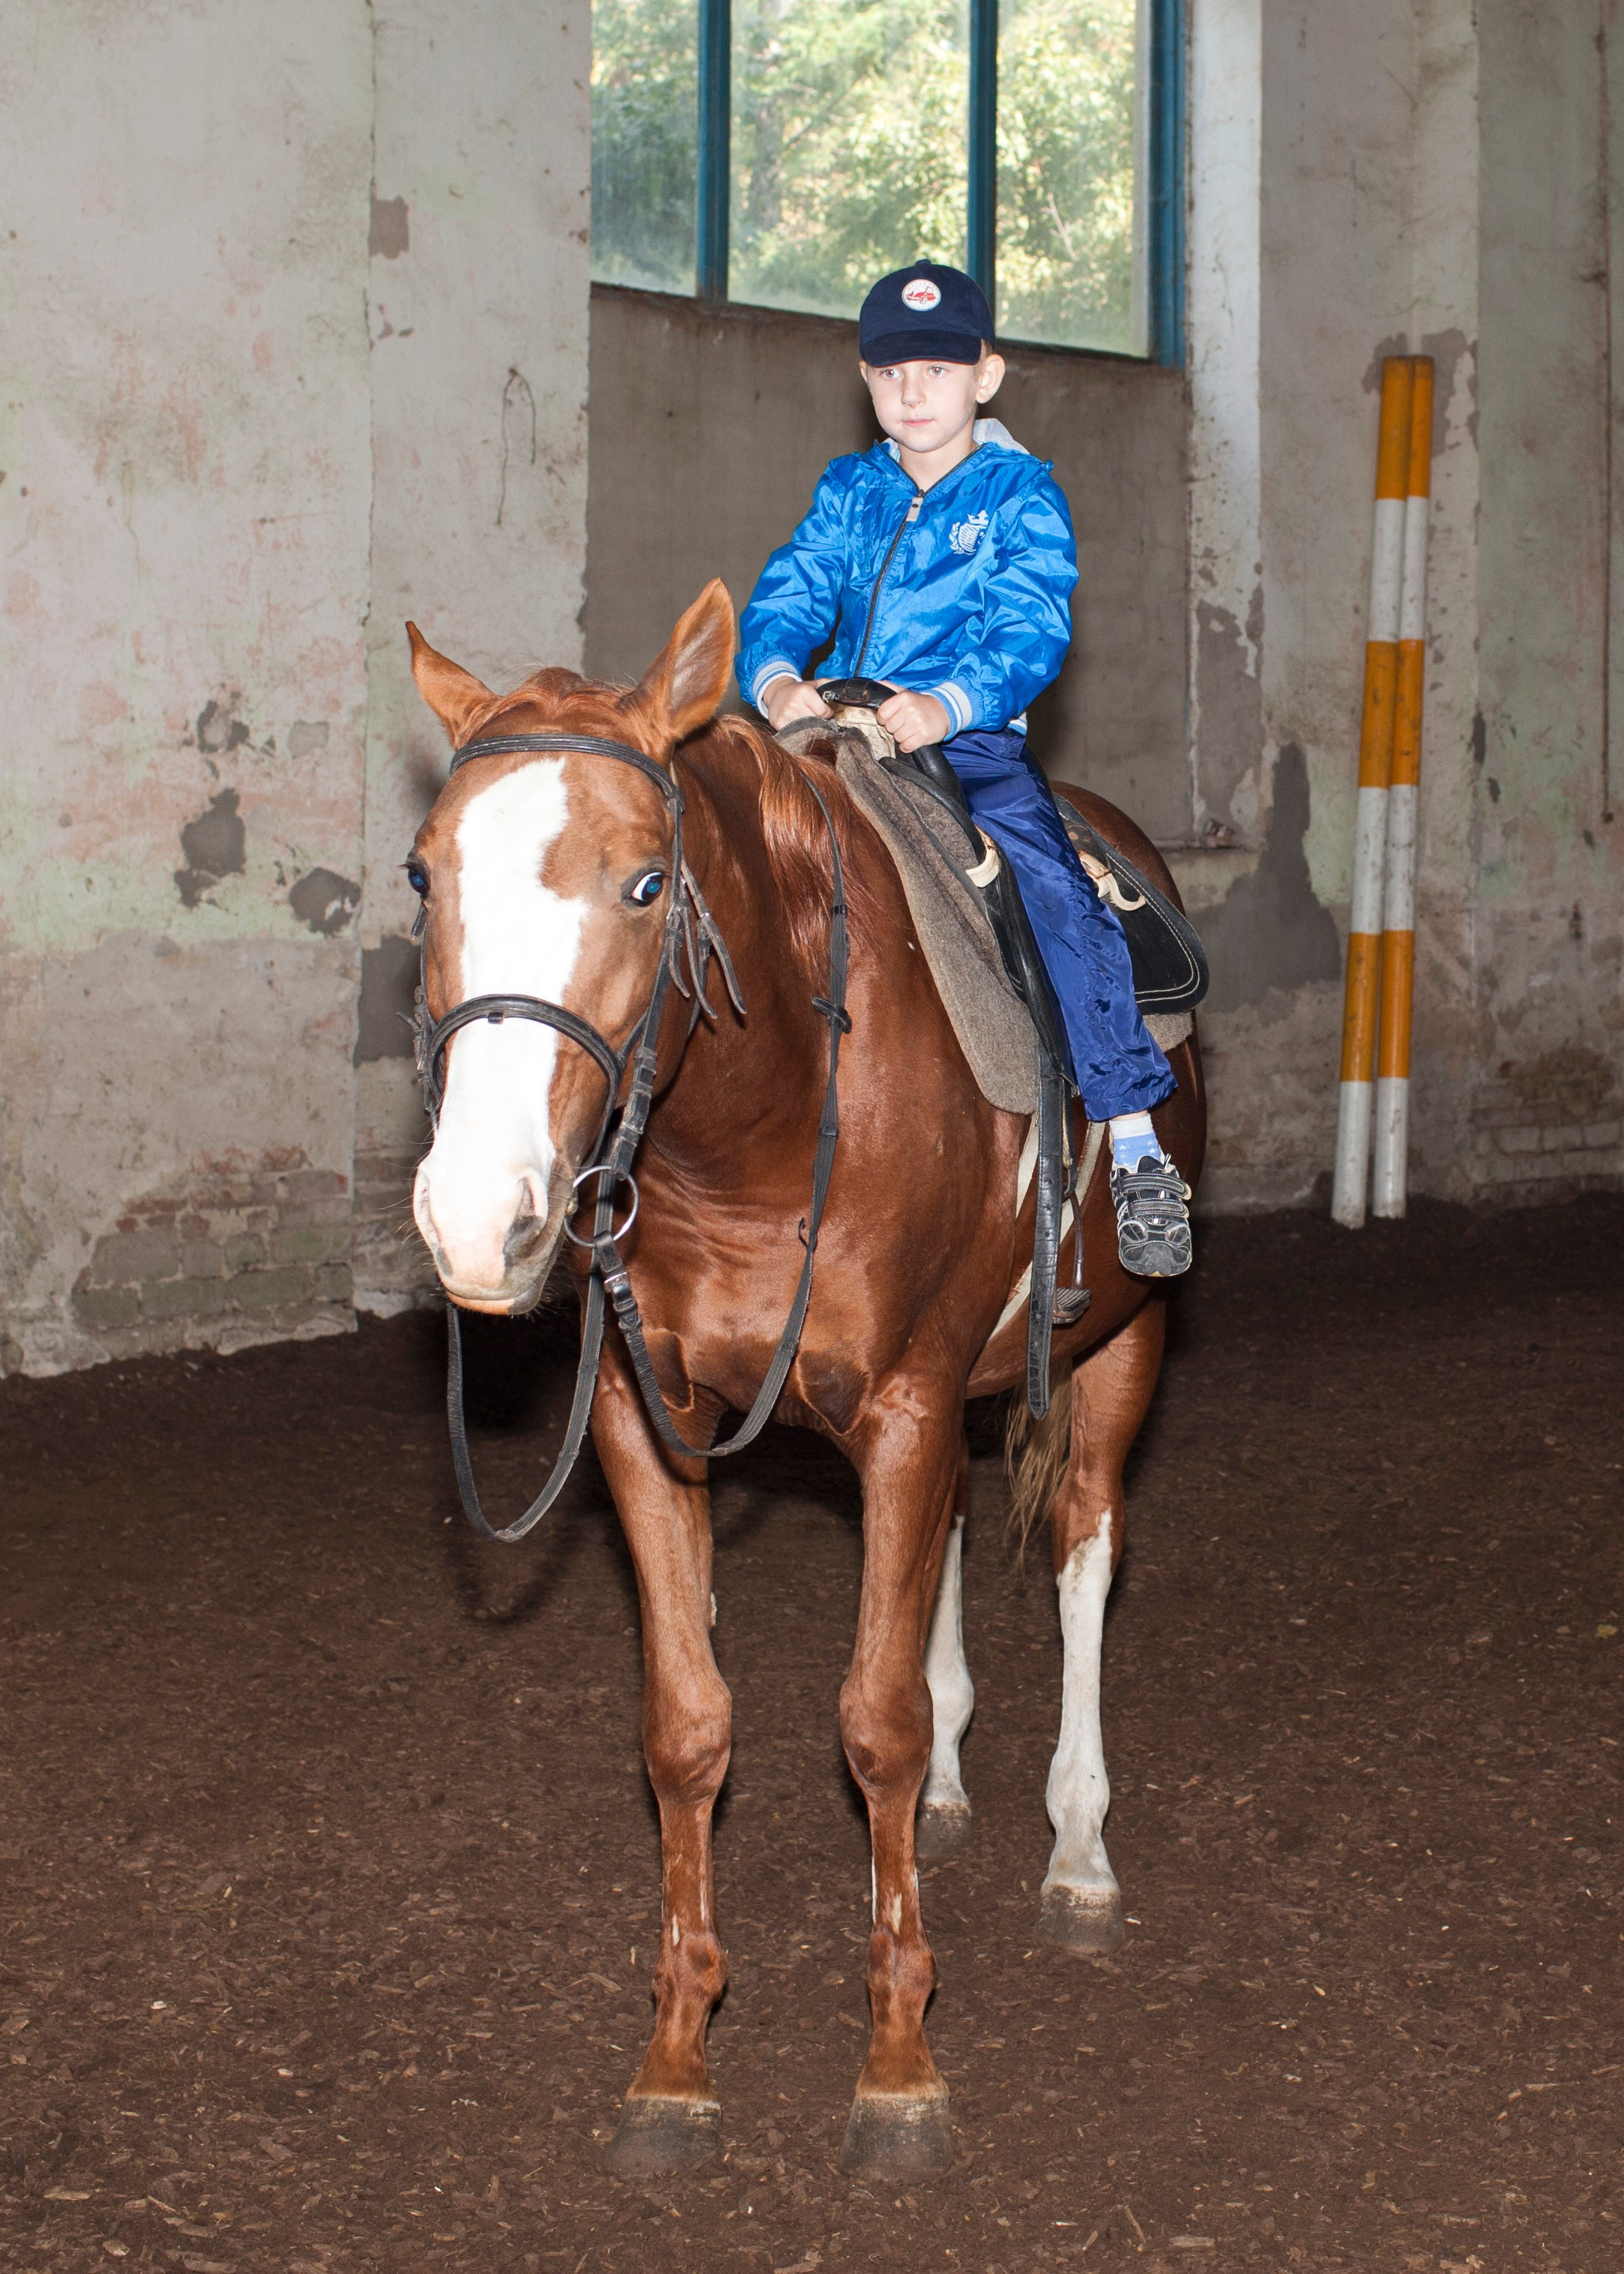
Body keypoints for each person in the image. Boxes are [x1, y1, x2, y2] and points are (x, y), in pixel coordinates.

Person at [737, 259, 1192, 1277]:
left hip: (968, 744)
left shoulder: (1020, 494)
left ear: (986, 376)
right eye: (893, 370)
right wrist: (773, 679)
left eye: (939, 368)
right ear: (866, 377)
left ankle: (1132, 1137)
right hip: (839, 736)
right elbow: (790, 594)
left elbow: (1033, 626)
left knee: (1052, 887)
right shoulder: (849, 493)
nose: (913, 389)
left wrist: (946, 703)